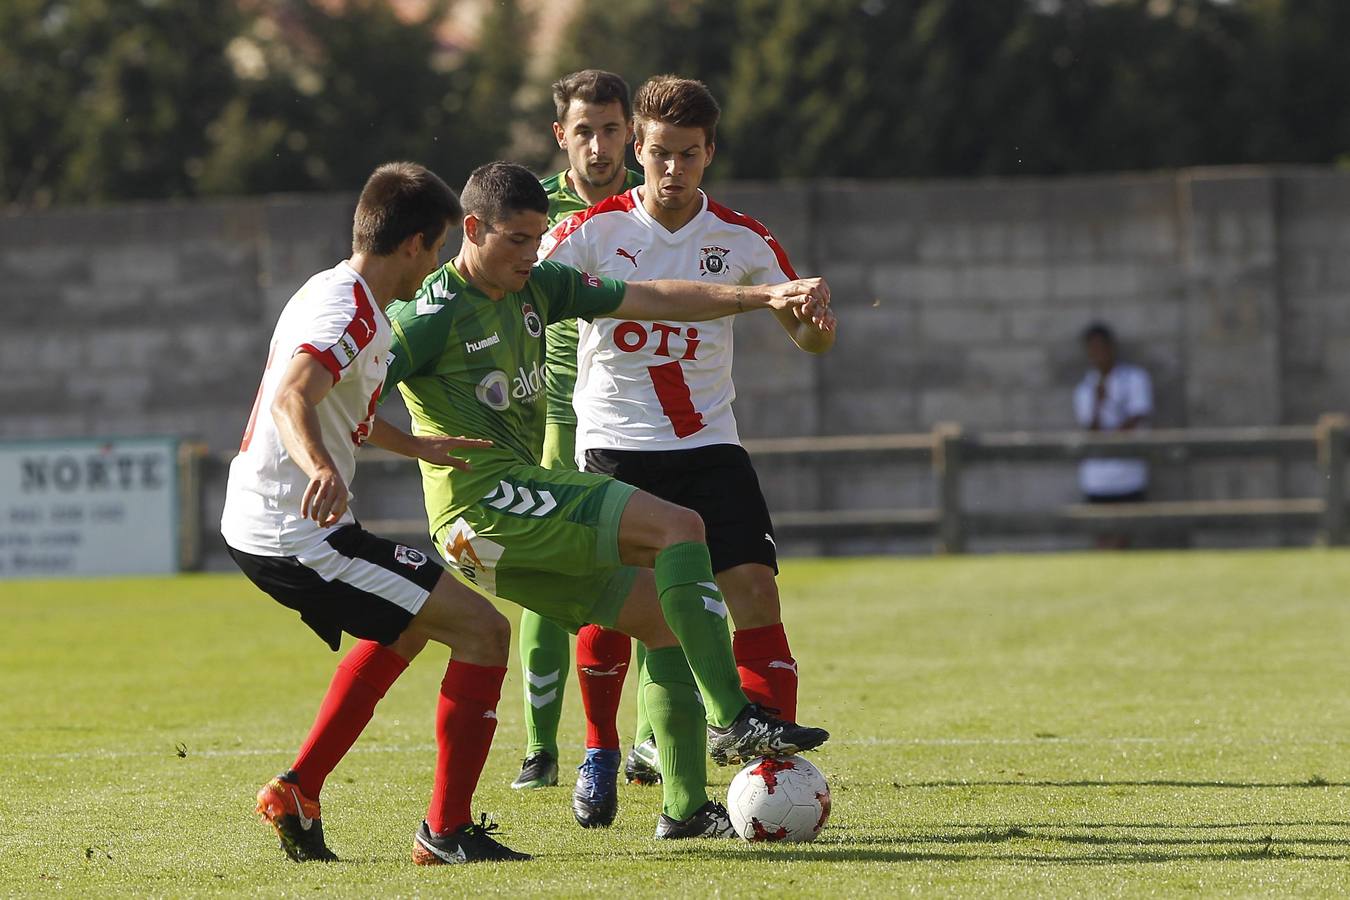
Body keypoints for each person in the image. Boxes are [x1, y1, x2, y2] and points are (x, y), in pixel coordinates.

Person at [385, 160, 833, 839]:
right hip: (483, 506)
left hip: (500, 522)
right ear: (472, 230)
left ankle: (684, 811)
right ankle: (732, 717)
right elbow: (336, 387)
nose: (532, 253)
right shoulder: (429, 314)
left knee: (660, 621)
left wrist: (762, 297)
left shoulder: (539, 286)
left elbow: (654, 297)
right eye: (517, 240)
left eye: (537, 238)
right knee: (680, 527)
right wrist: (406, 446)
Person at [539, 73, 837, 820]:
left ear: (711, 154)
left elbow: (806, 337)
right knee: (617, 613)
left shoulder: (742, 239)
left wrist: (815, 325)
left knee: (756, 592)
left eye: (690, 155)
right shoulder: (588, 235)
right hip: (617, 447)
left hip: (710, 445)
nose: (673, 170)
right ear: (638, 149)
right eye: (661, 153)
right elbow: (526, 302)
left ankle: (769, 771)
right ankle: (601, 750)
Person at [219, 162, 530, 865]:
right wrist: (320, 468)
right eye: (440, 246)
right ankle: (445, 833)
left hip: (273, 524)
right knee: (483, 630)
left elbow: (338, 406)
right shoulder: (351, 313)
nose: (440, 262)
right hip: (298, 534)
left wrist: (414, 443)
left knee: (410, 626)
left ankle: (298, 790)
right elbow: (292, 396)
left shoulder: (334, 291)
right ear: (414, 244)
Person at [508, 71, 648, 822]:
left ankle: (649, 741)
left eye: (611, 130)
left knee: (652, 569)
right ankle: (541, 746)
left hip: (635, 416)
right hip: (551, 421)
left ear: (631, 132)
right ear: (561, 135)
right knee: (545, 575)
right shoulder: (529, 209)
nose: (599, 146)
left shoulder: (653, 204)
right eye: (584, 131)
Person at [1072, 322, 1154, 548]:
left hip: (1129, 473)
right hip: (1098, 478)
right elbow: (1091, 432)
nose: (1098, 354)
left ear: (1112, 347)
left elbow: (1138, 416)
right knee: (1102, 535)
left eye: (1101, 347)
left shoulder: (1134, 378)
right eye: (1093, 349)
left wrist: (1112, 439)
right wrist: (1098, 402)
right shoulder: (1085, 388)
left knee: (1125, 535)